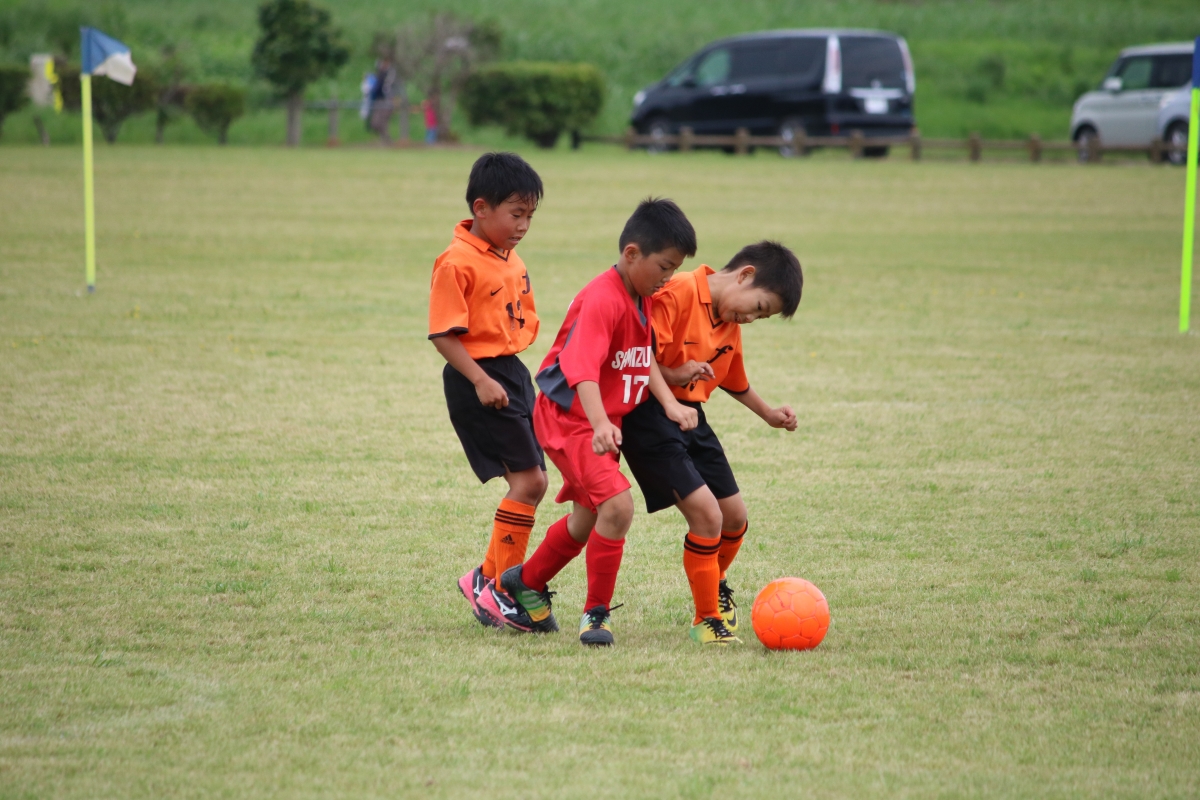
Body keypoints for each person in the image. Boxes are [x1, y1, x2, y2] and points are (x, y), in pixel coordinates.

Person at [478, 198, 699, 646]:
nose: (668, 277)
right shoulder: (603, 298)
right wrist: (599, 423)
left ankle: (524, 582)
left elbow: (641, 356)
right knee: (617, 506)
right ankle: (595, 614)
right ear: (632, 253)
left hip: (597, 420)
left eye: (675, 269)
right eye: (664, 266)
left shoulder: (641, 296)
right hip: (572, 419)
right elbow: (581, 368)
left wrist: (669, 403)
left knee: (587, 518)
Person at [620, 241, 803, 645]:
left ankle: (713, 582)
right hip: (649, 414)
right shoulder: (678, 291)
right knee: (707, 517)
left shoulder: (729, 323)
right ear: (745, 275)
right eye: (758, 307)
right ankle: (707, 620)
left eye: (761, 317)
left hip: (690, 416)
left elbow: (733, 380)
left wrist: (769, 413)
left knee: (734, 517)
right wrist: (671, 390)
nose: (751, 319)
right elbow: (638, 355)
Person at [428, 152, 548, 631]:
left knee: (534, 480)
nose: (523, 226)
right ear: (481, 208)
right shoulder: (455, 262)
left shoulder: (508, 256)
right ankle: (500, 589)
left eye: (530, 216)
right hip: (478, 378)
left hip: (511, 372)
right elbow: (443, 334)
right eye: (516, 214)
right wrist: (480, 379)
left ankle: (485, 578)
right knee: (530, 483)